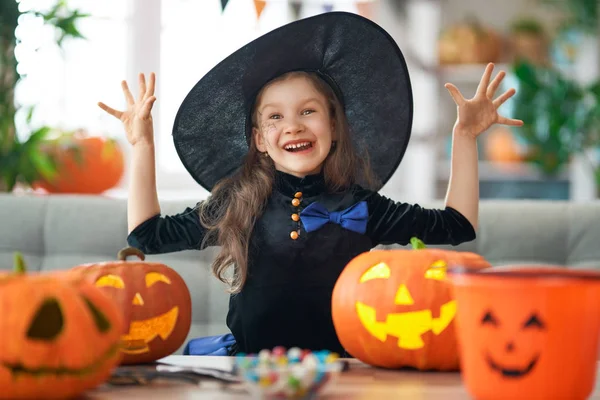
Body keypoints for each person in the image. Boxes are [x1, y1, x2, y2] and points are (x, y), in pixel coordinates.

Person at [98, 12, 522, 356]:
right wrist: (141, 145)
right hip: (250, 371)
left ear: (334, 126)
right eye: (275, 117)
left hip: (344, 370)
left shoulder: (362, 206)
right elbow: (147, 236)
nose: (293, 126)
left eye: (308, 111)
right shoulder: (237, 203)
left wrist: (464, 138)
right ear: (260, 140)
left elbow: (457, 225)